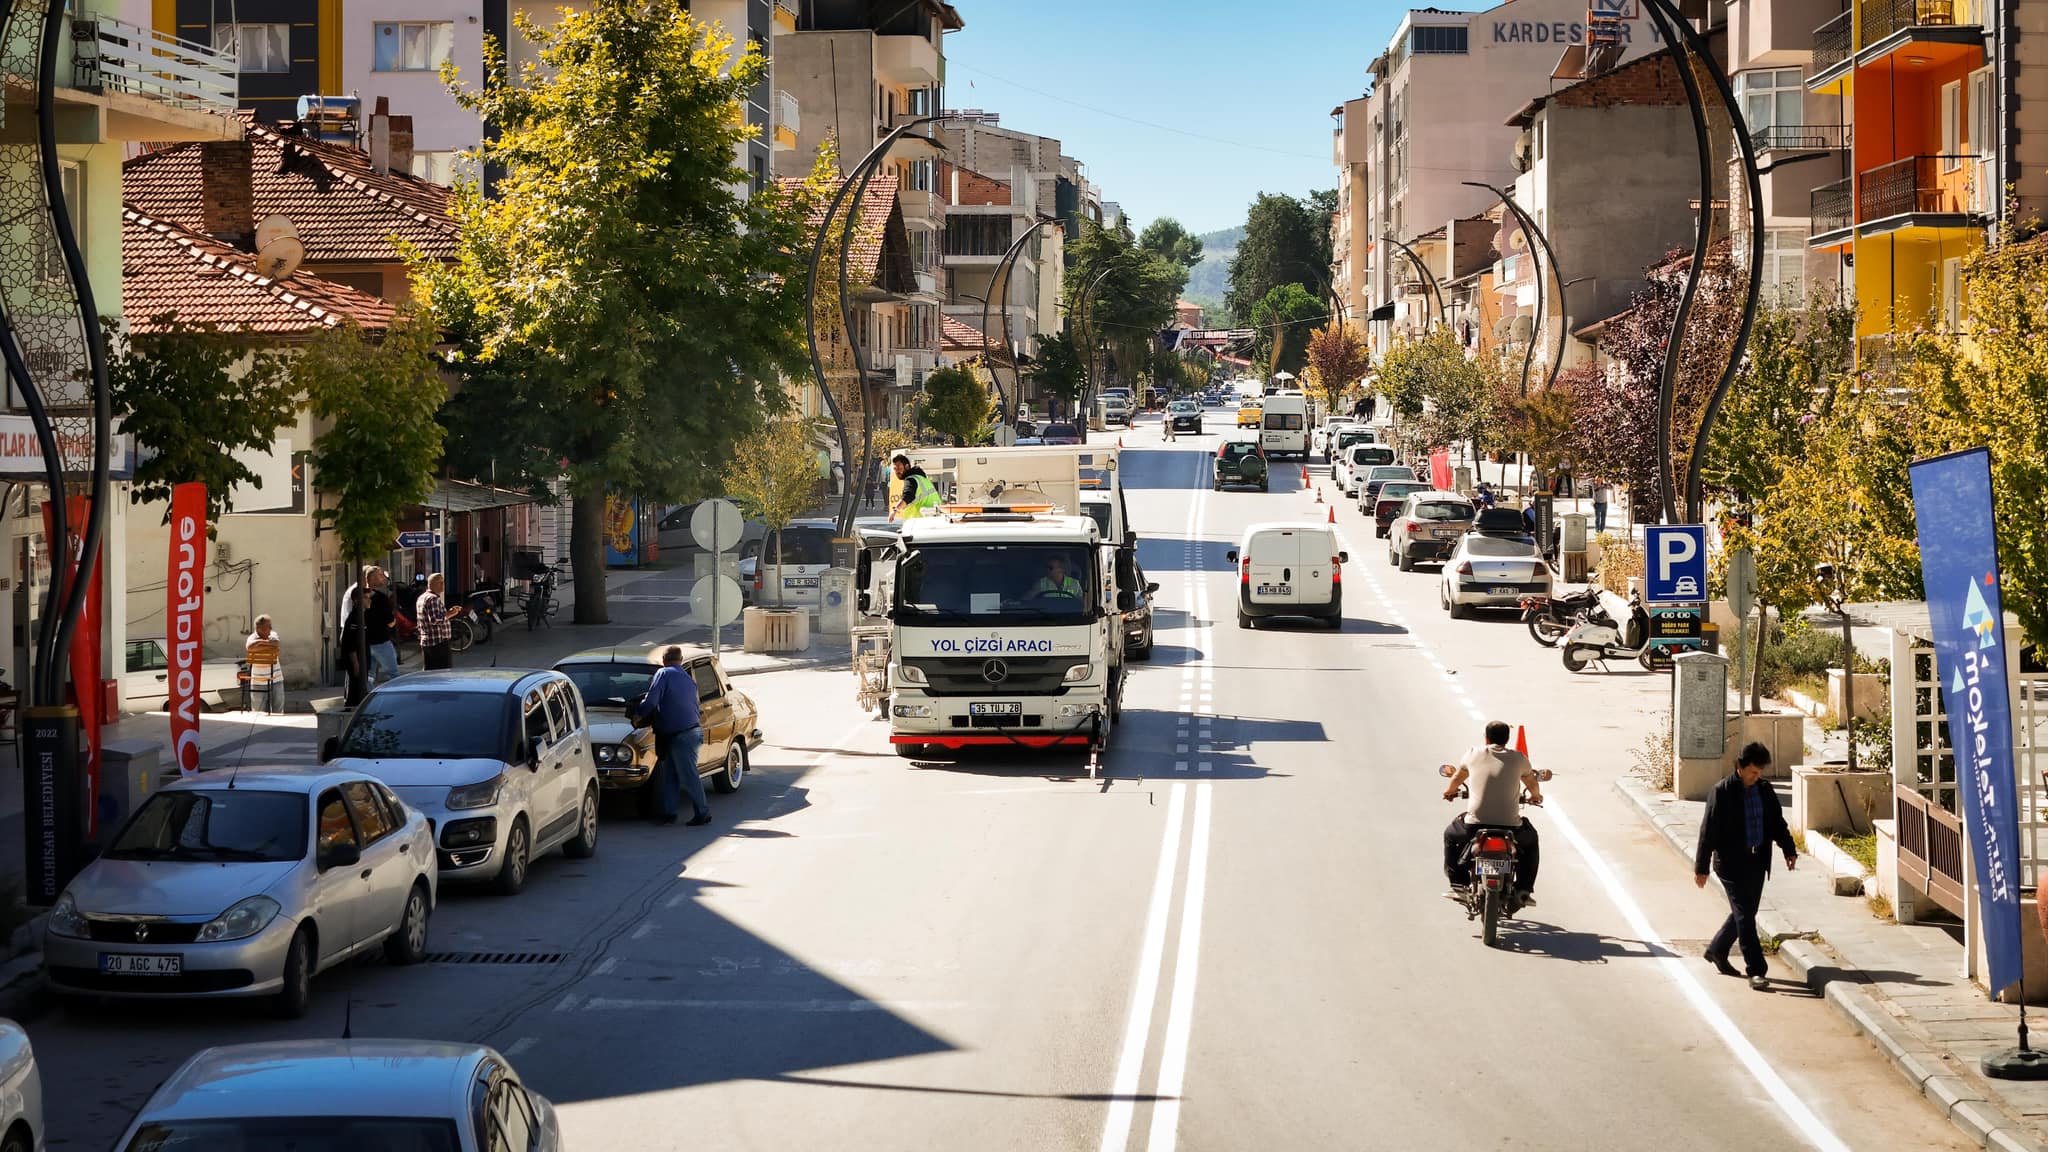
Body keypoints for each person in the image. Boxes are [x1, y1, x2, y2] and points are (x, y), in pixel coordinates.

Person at [1695, 742, 1797, 990]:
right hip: (1730, 864)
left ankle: (1717, 950)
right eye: (1753, 771)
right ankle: (1756, 970)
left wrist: (1789, 849)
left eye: (1760, 771)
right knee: (1745, 915)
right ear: (1739, 767)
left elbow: (1776, 822)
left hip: (1757, 860)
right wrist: (1702, 867)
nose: (1757, 775)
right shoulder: (1722, 792)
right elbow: (1708, 830)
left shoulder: (1763, 789)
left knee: (1745, 913)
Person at [1442, 721, 1543, 906]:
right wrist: (1536, 796)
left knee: (1450, 835)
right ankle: (1524, 889)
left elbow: (1457, 777)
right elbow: (1531, 782)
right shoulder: (1519, 758)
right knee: (1531, 840)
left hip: (1474, 825)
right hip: (1511, 826)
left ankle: (1458, 884)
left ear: (1486, 738)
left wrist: (1449, 792)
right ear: (1507, 738)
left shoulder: (1473, 753)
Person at [631, 645, 712, 826]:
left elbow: (651, 700)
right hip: (690, 731)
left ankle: (703, 812)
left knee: (688, 775)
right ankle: (668, 813)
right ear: (681, 660)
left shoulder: (664, 673)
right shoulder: (687, 678)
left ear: (664, 661)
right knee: (671, 774)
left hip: (681, 735)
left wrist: (639, 713)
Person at [244, 615, 283, 714]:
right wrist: (266, 644)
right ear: (258, 628)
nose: (271, 628)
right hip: (258, 681)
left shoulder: (273, 634)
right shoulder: (251, 638)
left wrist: (259, 645)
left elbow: (276, 644)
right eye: (268, 626)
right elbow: (250, 647)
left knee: (278, 710)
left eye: (271, 626)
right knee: (258, 712)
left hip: (276, 679)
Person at [417, 573, 453, 671]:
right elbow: (435, 620)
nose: (443, 585)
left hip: (428, 641)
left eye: (443, 582)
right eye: (440, 583)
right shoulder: (432, 599)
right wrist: (450, 613)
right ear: (432, 584)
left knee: (430, 672)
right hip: (438, 643)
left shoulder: (422, 597)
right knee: (442, 673)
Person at [889, 453, 941, 521]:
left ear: (907, 466)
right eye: (895, 469)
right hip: (936, 519)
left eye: (899, 467)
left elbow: (907, 496)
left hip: (919, 522)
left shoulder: (911, 480)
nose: (897, 471)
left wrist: (894, 510)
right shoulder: (922, 479)